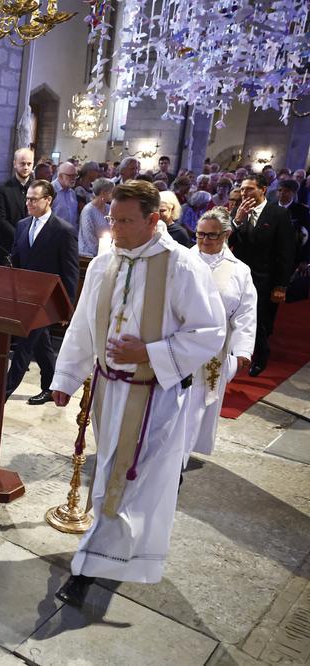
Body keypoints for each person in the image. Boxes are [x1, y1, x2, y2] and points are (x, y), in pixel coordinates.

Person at [49, 180, 225, 607]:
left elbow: (210, 333)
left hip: (153, 398)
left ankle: (88, 570)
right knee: (114, 477)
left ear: (154, 219)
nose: (116, 229)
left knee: (119, 481)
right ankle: (115, 553)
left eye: (126, 221)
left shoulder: (182, 266)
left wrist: (148, 351)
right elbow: (83, 325)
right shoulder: (103, 264)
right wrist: (65, 377)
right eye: (112, 219)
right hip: (109, 393)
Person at [184, 207, 257, 465]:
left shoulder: (238, 270)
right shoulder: (183, 259)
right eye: (200, 234)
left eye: (212, 236)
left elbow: (246, 313)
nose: (204, 240)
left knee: (199, 401)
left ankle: (182, 453)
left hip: (214, 347)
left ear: (226, 235)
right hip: (180, 341)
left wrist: (243, 350)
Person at [1, 180, 79, 405]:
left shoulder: (64, 230)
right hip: (25, 295)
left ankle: (1, 395)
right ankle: (50, 387)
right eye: (27, 198)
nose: (29, 203)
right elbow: (17, 257)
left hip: (48, 299)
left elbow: (70, 273)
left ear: (48, 200)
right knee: (42, 344)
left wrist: (67, 308)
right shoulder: (23, 224)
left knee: (25, 345)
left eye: (34, 199)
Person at [229, 174, 296, 376]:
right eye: (242, 189)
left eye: (249, 189)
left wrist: (281, 285)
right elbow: (227, 240)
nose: (244, 193)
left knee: (257, 319)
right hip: (238, 274)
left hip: (264, 277)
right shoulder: (237, 211)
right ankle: (235, 353)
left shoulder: (277, 214)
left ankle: (260, 355)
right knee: (235, 315)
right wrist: (237, 220)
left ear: (263, 190)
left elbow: (286, 251)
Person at [0, 148, 34, 265]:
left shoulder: (37, 188)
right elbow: (0, 219)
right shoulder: (3, 188)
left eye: (29, 164)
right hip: (6, 245)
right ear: (15, 163)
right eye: (22, 163)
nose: (26, 167)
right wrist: (20, 237)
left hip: (30, 246)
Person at [78, 177, 114, 257]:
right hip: (88, 254)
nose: (113, 194)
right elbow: (88, 237)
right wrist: (100, 253)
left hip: (106, 253)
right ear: (103, 193)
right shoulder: (88, 210)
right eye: (111, 191)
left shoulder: (109, 208)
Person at [51, 161, 80, 230]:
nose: (74, 179)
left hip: (70, 234)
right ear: (60, 176)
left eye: (75, 175)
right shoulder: (50, 190)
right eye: (70, 176)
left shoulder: (72, 193)